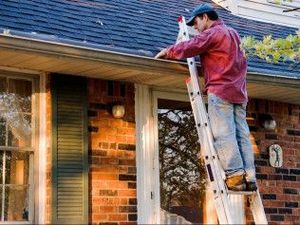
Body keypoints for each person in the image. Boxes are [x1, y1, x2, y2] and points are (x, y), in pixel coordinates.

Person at [155, 3, 257, 191]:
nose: (194, 27)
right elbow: (239, 64)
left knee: (223, 134)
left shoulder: (213, 33)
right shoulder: (234, 34)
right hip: (239, 93)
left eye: (195, 22)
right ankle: (249, 176)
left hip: (221, 91)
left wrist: (169, 51)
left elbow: (193, 45)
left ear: (205, 17)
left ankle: (235, 176)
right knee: (242, 134)